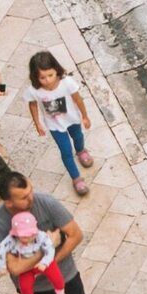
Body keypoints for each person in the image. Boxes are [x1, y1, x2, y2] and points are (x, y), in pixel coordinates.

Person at [24, 50, 96, 194]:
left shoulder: (67, 83)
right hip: (55, 125)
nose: (48, 80)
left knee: (78, 136)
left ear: (56, 70)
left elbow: (78, 99)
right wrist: (37, 123)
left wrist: (85, 116)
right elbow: (32, 104)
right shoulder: (34, 91)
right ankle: (76, 178)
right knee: (65, 151)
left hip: (72, 119)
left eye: (50, 75)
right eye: (42, 78)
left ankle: (81, 150)